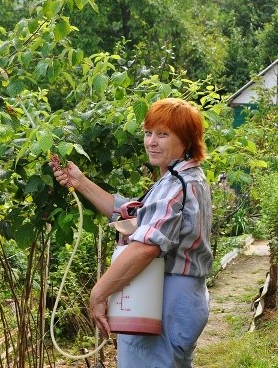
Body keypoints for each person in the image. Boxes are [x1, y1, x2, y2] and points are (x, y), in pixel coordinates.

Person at [50, 97, 213, 368]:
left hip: (164, 296)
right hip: (183, 295)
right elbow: (132, 215)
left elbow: (147, 245)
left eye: (163, 134)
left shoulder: (177, 184)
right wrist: (80, 182)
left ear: (186, 139)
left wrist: (99, 293)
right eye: (148, 133)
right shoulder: (184, 178)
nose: (151, 142)